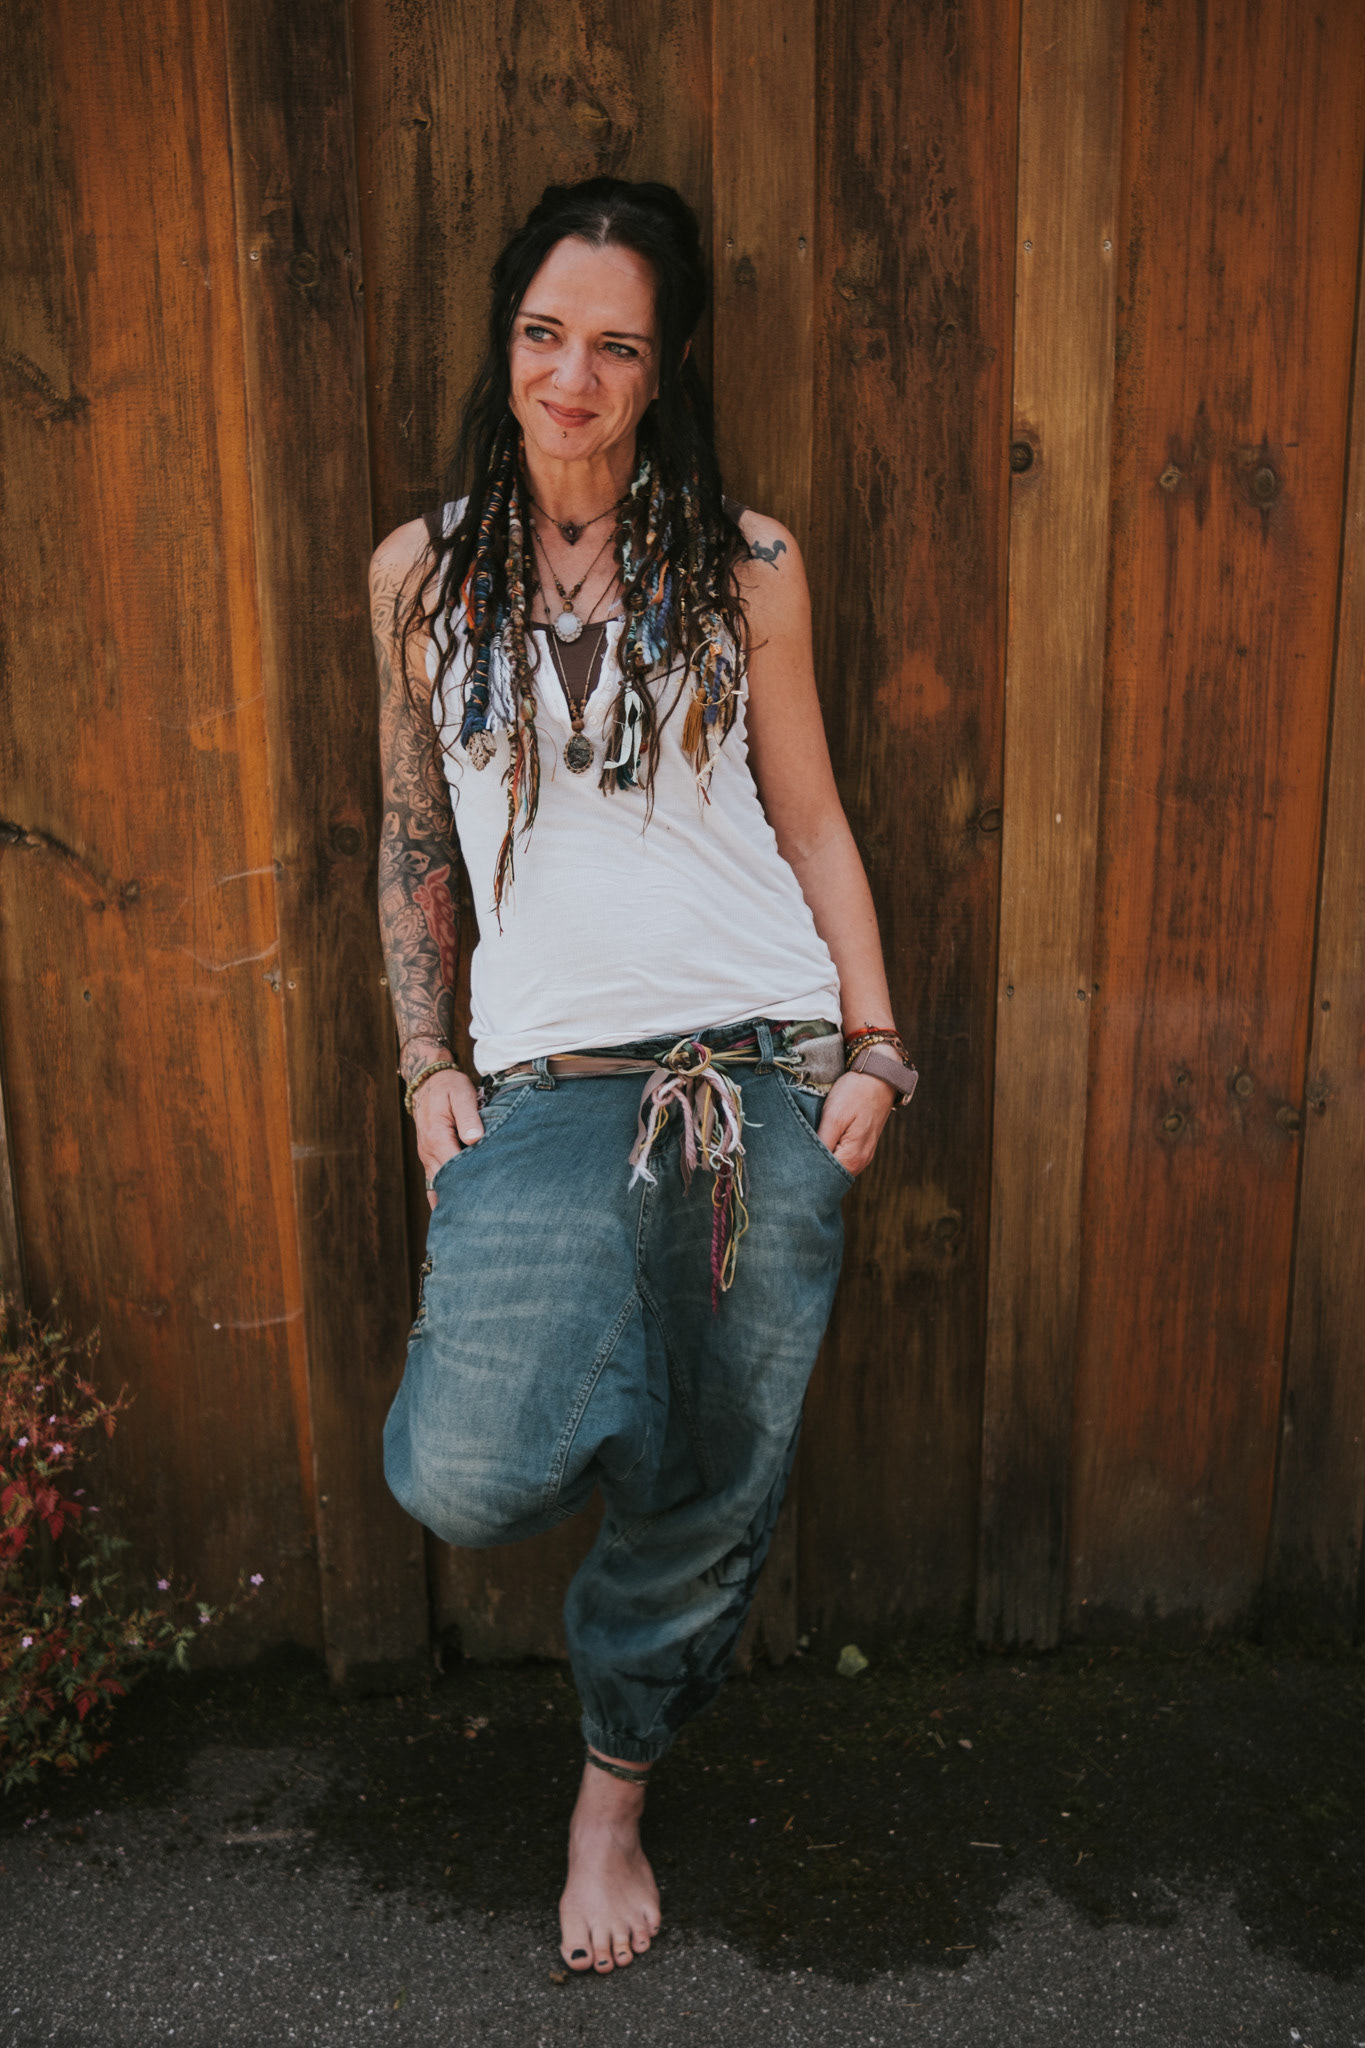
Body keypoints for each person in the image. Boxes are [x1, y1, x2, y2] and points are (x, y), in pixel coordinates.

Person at [370, 177, 917, 1979]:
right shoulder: (418, 574)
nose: (571, 377)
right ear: (506, 343)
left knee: (709, 1481)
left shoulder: (744, 564)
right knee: (459, 1470)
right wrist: (423, 1062)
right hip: (545, 1086)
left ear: (662, 369)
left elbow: (811, 820)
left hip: (760, 1074)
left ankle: (609, 1797)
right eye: (544, 334)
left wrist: (874, 1047)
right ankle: (636, 1398)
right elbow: (410, 835)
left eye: (614, 346)